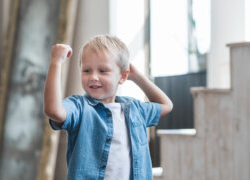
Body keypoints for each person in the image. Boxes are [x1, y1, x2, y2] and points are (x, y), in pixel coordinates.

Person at [44, 34, 173, 180]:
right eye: (86, 70)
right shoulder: (79, 107)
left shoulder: (135, 109)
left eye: (102, 71)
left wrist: (137, 76)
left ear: (123, 76)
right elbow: (53, 110)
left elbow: (166, 105)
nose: (93, 77)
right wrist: (56, 63)